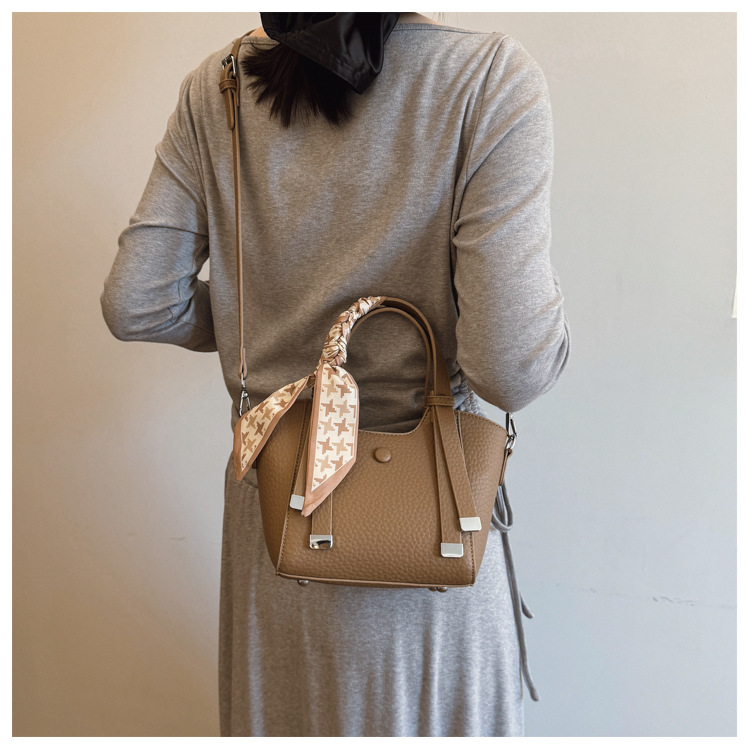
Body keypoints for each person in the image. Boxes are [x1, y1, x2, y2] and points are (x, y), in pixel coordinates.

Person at [101, 12, 570, 737]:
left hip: (275, 538)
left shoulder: (220, 86)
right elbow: (512, 364)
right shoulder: (486, 78)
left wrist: (262, 328)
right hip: (427, 545)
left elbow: (139, 302)